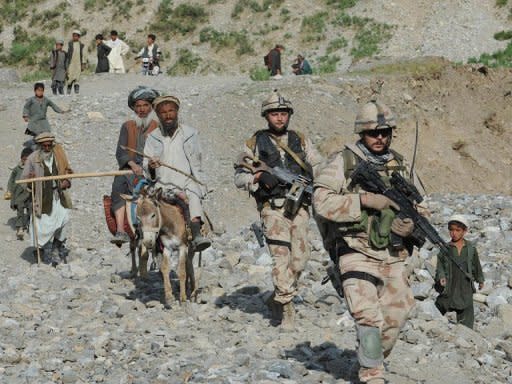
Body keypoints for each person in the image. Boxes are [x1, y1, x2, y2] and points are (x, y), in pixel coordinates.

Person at [313, 100, 425, 384]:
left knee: (396, 318)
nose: (380, 138)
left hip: (393, 254)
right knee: (368, 318)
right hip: (354, 250)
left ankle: (368, 359)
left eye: (385, 132)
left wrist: (410, 225)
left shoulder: (398, 164)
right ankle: (372, 375)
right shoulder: (343, 161)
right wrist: (363, 200)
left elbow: (421, 208)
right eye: (374, 133)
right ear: (361, 133)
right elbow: (321, 202)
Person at [234, 90, 322, 330]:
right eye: (275, 114)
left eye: (283, 113)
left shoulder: (301, 140)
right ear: (266, 116)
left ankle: (279, 295)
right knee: (280, 257)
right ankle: (287, 310)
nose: (280, 118)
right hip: (272, 208)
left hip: (299, 206)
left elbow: (318, 165)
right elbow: (239, 176)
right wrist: (259, 178)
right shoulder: (254, 143)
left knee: (301, 260)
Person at [144, 95, 211, 252]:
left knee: (194, 194)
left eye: (171, 111)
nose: (167, 115)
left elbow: (197, 161)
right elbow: (146, 167)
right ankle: (148, 241)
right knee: (147, 209)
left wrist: (200, 182)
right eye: (163, 112)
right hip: (161, 183)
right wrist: (151, 167)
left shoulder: (190, 134)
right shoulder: (152, 137)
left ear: (177, 111)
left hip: (185, 181)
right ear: (158, 115)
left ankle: (196, 234)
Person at [110, 87, 160, 245]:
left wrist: (152, 164)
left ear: (151, 107)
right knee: (118, 185)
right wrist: (131, 164)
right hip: (131, 168)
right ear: (134, 108)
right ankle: (120, 230)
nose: (142, 109)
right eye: (138, 106)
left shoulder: (158, 127)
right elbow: (121, 151)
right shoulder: (127, 126)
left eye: (145, 105)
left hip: (153, 168)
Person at [22, 133, 73, 266]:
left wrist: (67, 180)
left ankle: (56, 247)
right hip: (42, 198)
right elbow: (24, 180)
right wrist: (30, 179)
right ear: (39, 146)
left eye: (49, 145)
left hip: (58, 196)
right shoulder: (33, 159)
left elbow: (67, 170)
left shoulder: (58, 155)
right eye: (44, 145)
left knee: (64, 218)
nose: (46, 148)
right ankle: (40, 250)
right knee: (41, 226)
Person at [435, 215, 484, 329]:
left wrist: (480, 279)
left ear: (465, 231)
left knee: (466, 304)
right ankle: (434, 322)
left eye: (458, 230)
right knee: (443, 301)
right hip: (450, 281)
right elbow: (440, 265)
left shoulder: (470, 248)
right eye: (451, 230)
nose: (454, 233)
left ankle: (465, 329)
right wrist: (441, 276)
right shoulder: (445, 248)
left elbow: (476, 264)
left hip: (465, 282)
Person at [6, 147, 33, 240]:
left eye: (28, 160)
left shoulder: (33, 170)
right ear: (21, 158)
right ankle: (19, 228)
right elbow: (11, 180)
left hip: (29, 194)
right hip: (19, 194)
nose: (26, 161)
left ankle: (30, 226)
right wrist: (9, 190)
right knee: (20, 210)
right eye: (24, 159)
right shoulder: (17, 169)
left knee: (31, 210)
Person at [65, 30, 86, 95]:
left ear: (79, 37)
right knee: (70, 77)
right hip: (71, 63)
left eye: (76, 36)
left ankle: (76, 91)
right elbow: (66, 55)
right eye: (74, 36)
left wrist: (83, 64)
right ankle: (68, 91)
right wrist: (66, 65)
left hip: (78, 63)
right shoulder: (69, 44)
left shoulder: (81, 45)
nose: (75, 37)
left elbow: (83, 55)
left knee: (77, 77)